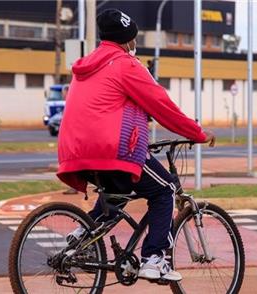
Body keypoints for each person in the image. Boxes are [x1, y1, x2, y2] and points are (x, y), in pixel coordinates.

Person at [56, 9, 214, 282]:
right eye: (133, 38)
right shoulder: (127, 65)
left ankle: (80, 237)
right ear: (127, 40)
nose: (134, 43)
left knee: (114, 199)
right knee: (164, 189)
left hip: (75, 150)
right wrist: (196, 132)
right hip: (112, 149)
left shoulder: (85, 66)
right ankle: (154, 259)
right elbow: (162, 106)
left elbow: (108, 108)